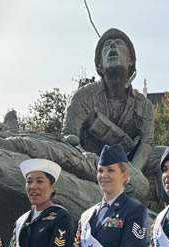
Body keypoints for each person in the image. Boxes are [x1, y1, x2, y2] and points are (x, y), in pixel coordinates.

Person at [62, 28, 154, 173]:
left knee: (164, 156)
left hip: (127, 168)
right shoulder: (83, 96)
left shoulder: (144, 105)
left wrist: (131, 175)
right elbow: (69, 138)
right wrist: (94, 164)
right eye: (107, 45)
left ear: (130, 60)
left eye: (119, 43)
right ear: (100, 63)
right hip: (88, 165)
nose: (112, 46)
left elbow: (146, 143)